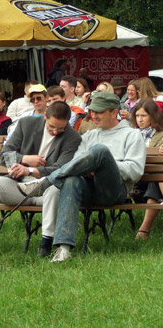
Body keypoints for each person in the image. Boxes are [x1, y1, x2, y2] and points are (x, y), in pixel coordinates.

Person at [17, 92, 146, 263]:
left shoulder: (132, 135)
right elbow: (75, 164)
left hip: (113, 190)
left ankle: (47, 181)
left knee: (100, 151)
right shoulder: (88, 136)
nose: (93, 115)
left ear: (114, 111)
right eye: (92, 110)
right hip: (87, 188)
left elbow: (136, 170)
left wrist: (102, 166)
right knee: (71, 179)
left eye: (99, 111)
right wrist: (87, 168)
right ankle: (63, 249)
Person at [0, 101, 82, 255]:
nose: (56, 132)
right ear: (45, 116)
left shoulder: (72, 137)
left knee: (54, 190)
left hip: (45, 189)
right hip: (18, 186)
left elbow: (61, 168)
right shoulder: (26, 124)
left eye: (61, 128)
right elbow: (3, 155)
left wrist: (31, 170)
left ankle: (46, 243)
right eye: (52, 127)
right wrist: (24, 159)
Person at [130, 100, 163, 240]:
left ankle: (143, 231)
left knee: (154, 181)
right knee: (156, 175)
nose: (140, 119)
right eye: (137, 115)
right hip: (135, 181)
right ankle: (143, 231)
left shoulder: (161, 135)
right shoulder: (130, 134)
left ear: (153, 116)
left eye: (143, 115)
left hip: (153, 181)